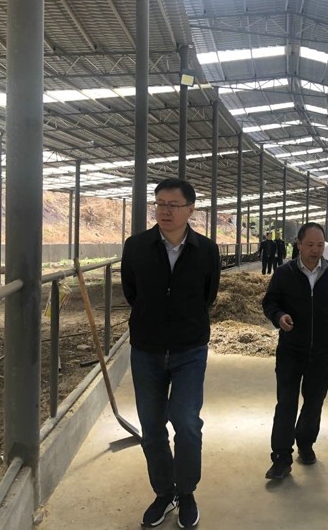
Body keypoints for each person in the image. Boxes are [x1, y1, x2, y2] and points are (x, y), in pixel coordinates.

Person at [121, 177, 220, 528]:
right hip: (146, 349)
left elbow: (208, 295)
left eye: (173, 205)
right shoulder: (136, 246)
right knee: (151, 426)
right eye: (159, 203)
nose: (164, 210)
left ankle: (187, 491)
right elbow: (132, 292)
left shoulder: (206, 250)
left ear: (190, 209)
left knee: (187, 423)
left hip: (189, 349)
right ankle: (164, 493)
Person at [262, 222, 328, 480]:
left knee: (314, 402)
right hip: (290, 350)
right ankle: (281, 456)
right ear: (299, 245)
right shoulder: (285, 272)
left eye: (320, 245)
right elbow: (270, 302)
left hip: (322, 352)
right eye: (310, 244)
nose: (315, 250)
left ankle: (305, 442)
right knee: (286, 403)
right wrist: (279, 316)